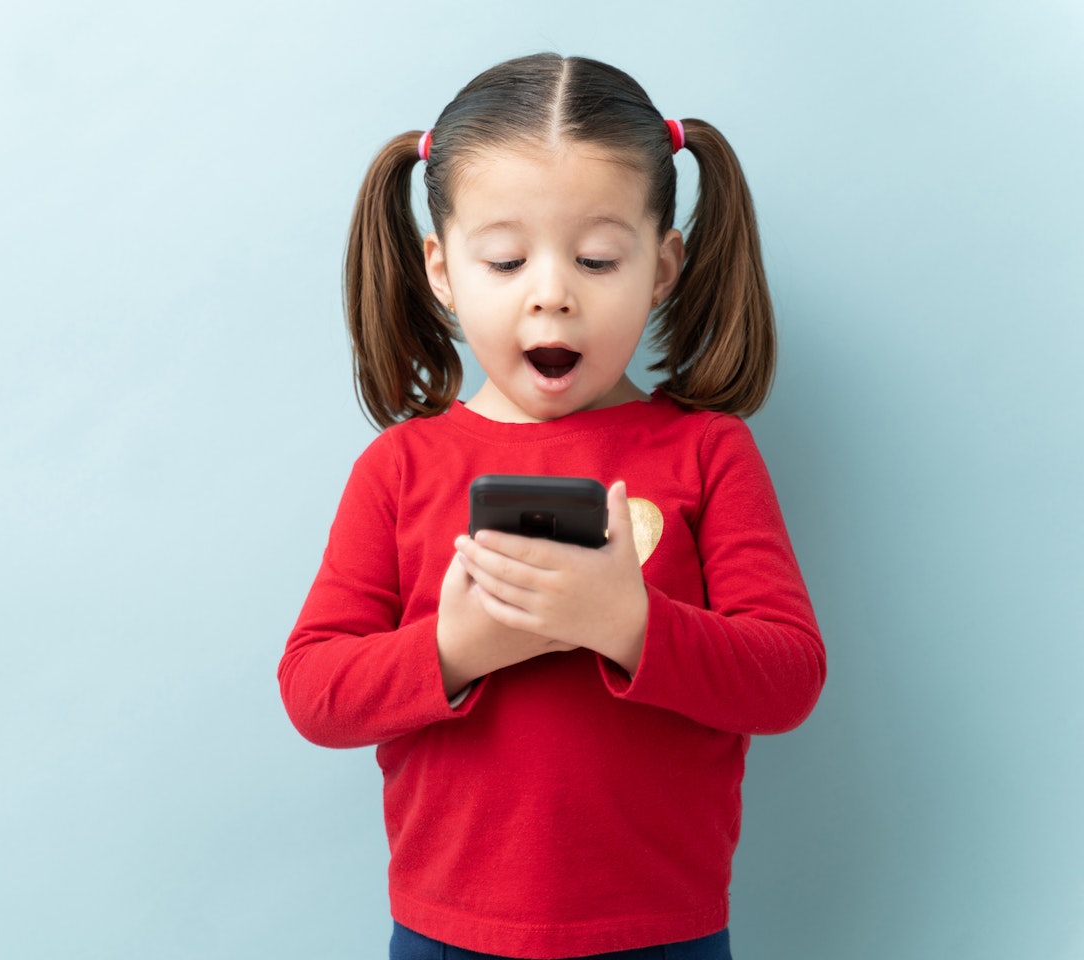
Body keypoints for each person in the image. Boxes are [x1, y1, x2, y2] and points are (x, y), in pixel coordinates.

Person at [278, 52, 826, 960]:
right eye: (504, 258)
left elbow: (788, 676)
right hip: (447, 932)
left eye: (598, 258)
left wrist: (630, 624)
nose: (552, 292)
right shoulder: (399, 468)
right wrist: (460, 650)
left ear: (662, 267)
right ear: (443, 272)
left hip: (663, 931)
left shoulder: (708, 451)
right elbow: (314, 690)